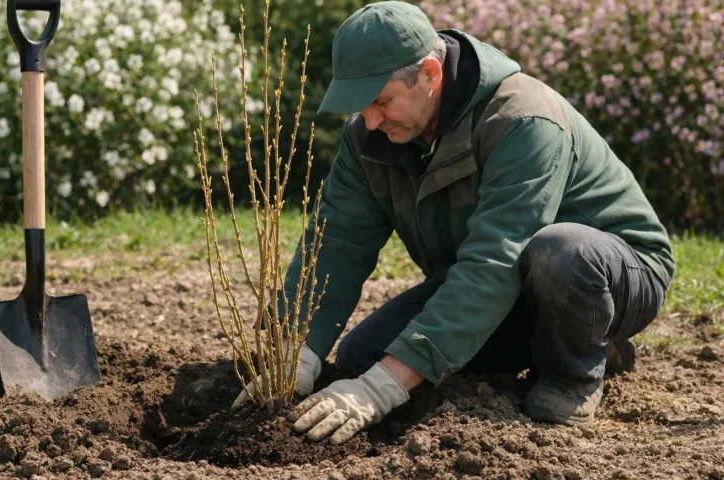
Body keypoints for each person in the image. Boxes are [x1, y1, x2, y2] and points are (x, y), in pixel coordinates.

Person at [232, 1, 675, 445]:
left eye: (381, 101)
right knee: (362, 354)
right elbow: (337, 241)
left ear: (429, 73)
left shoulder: (522, 119)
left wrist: (382, 389)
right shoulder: (371, 133)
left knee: (560, 252)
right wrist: (295, 352)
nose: (369, 120)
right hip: (507, 281)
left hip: (611, 272)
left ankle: (573, 370)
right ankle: (550, 336)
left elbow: (494, 259)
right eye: (361, 106)